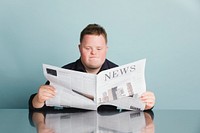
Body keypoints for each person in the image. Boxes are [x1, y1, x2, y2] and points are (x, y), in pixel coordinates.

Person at [29, 24, 155, 111]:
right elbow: (35, 106)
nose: (94, 53)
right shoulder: (64, 72)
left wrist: (148, 104)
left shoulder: (119, 73)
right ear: (79, 48)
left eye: (99, 48)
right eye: (88, 48)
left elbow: (138, 106)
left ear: (106, 49)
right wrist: (38, 99)